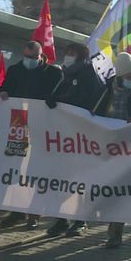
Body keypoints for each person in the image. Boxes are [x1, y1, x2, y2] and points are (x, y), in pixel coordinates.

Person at [0, 41, 63, 230]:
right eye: (26, 57)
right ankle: (16, 210)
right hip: (18, 126)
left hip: (42, 127)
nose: (29, 61)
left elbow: (59, 96)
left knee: (36, 171)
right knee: (15, 169)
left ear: (41, 56)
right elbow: (4, 87)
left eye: (33, 58)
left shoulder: (53, 74)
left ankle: (34, 214)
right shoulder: (15, 70)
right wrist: (2, 92)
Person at [94, 52, 131, 249]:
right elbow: (97, 112)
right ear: (119, 76)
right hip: (109, 146)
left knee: (121, 190)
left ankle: (115, 232)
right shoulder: (106, 91)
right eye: (128, 76)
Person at [45, 43, 103, 237]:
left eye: (72, 53)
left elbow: (89, 100)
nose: (68, 56)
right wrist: (52, 99)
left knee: (80, 180)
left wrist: (67, 103)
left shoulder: (88, 74)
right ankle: (61, 219)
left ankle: (80, 220)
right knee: (61, 179)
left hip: (80, 137)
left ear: (80, 56)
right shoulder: (65, 75)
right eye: (67, 52)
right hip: (63, 137)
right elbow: (57, 94)